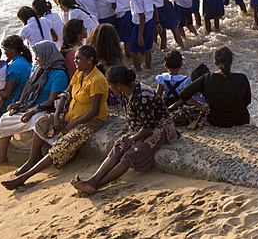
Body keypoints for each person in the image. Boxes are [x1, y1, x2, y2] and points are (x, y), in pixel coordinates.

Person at [1, 45, 107, 190]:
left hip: (90, 121)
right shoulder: (78, 73)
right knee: (41, 122)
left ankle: (24, 178)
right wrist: (57, 115)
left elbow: (94, 111)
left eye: (79, 59)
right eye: (75, 58)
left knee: (61, 145)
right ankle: (33, 159)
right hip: (71, 115)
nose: (75, 61)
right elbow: (65, 94)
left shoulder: (97, 79)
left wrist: (73, 123)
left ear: (90, 60)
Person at [71, 65, 178, 195]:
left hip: (160, 128)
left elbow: (148, 126)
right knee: (118, 147)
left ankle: (96, 185)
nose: (110, 88)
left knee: (130, 154)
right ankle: (92, 180)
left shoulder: (142, 96)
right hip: (141, 128)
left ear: (119, 85)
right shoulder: (123, 93)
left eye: (110, 85)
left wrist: (132, 138)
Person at [174, 46, 252, 127]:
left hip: (217, 120)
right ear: (231, 61)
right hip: (241, 119)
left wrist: (200, 106)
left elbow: (183, 94)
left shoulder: (207, 78)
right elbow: (248, 100)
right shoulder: (242, 78)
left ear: (215, 63)